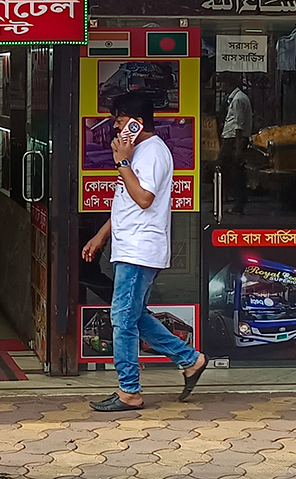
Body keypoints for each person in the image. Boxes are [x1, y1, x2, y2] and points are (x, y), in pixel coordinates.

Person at [82, 92, 206, 412]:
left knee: (122, 319)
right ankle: (190, 360)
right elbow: (126, 201)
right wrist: (100, 236)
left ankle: (129, 392)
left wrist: (123, 162)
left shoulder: (151, 153)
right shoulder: (139, 152)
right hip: (129, 246)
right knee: (134, 314)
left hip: (140, 249)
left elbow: (145, 198)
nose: (116, 130)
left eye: (121, 123)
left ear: (137, 124)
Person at [220, 77, 253, 214]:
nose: (222, 86)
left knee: (234, 173)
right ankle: (233, 201)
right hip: (231, 139)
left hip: (234, 140)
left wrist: (238, 149)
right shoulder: (234, 98)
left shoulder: (238, 99)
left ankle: (238, 203)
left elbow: (239, 126)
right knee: (230, 172)